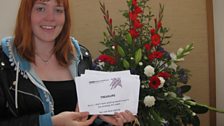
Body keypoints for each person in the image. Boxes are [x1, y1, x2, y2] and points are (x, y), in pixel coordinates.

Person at [0, 0, 136, 126]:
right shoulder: (4, 60)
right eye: (41, 9)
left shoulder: (80, 57)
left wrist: (109, 119)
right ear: (26, 13)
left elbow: (90, 117)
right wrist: (50, 122)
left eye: (58, 10)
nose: (50, 18)